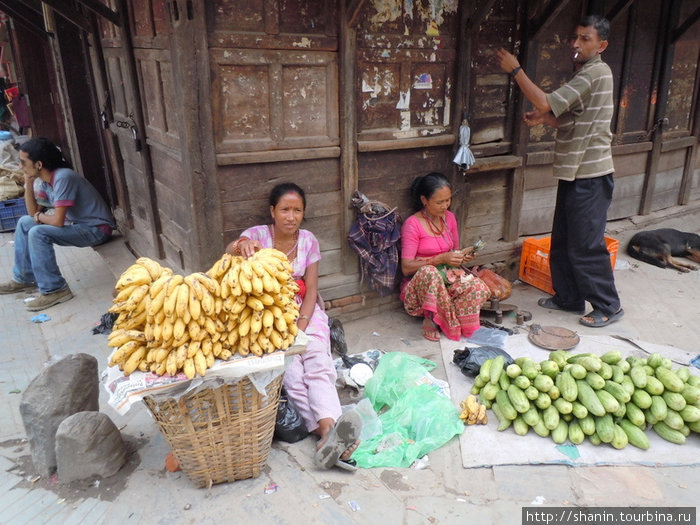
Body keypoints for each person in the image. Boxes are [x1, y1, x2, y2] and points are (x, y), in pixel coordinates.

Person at [496, 14, 624, 328]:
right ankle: (568, 298)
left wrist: (516, 70)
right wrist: (546, 121)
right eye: (575, 37)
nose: (576, 44)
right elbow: (574, 120)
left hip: (591, 176)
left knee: (585, 244)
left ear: (601, 45)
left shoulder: (594, 73)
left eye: (585, 39)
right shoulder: (589, 74)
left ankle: (608, 306)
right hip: (574, 173)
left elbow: (544, 101)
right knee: (564, 240)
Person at [226, 182, 361, 471]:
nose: (291, 216)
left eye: (297, 210)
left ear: (303, 213)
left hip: (304, 311)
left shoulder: (309, 240)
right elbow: (230, 251)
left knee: (317, 363)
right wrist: (241, 245)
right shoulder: (258, 235)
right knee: (291, 372)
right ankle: (326, 432)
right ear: (272, 211)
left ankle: (329, 428)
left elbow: (311, 290)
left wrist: (302, 324)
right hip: (267, 315)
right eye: (285, 209)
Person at [0, 137, 115, 311]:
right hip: (81, 227)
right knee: (25, 222)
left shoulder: (63, 177)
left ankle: (55, 289)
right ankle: (23, 279)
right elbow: (32, 213)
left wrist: (39, 218)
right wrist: (29, 184)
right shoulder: (48, 181)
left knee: (38, 233)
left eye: (23, 162)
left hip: (97, 230)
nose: (20, 167)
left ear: (38, 164)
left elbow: (57, 221)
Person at [400, 172, 491, 342]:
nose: (445, 206)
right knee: (430, 272)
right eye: (439, 202)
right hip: (420, 289)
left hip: (448, 281)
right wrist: (439, 259)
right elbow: (406, 268)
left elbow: (454, 252)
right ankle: (430, 318)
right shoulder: (412, 224)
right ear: (424, 200)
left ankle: (450, 314)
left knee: (479, 287)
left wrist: (463, 257)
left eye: (448, 200)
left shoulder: (449, 218)